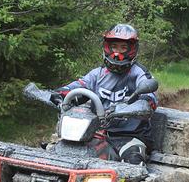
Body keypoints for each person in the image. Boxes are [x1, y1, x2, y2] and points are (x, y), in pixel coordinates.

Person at [50, 24, 158, 165]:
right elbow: (79, 86)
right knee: (59, 151)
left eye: (123, 48)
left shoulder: (139, 74)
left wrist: (126, 108)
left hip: (130, 136)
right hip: (97, 133)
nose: (117, 53)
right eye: (114, 47)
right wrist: (60, 93)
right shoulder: (97, 74)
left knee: (133, 161)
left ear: (132, 50)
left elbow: (149, 100)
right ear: (107, 47)